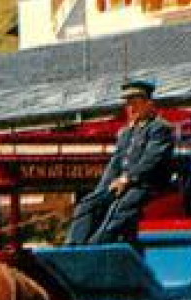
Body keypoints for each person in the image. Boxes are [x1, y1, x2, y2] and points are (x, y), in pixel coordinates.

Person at [66, 79, 176, 245]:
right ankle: (72, 247)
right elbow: (115, 162)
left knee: (120, 207)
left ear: (148, 104)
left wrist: (127, 179)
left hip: (148, 185)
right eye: (128, 104)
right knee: (87, 204)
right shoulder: (125, 133)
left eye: (135, 104)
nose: (131, 109)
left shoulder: (159, 129)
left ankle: (96, 247)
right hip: (125, 184)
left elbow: (151, 160)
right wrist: (102, 189)